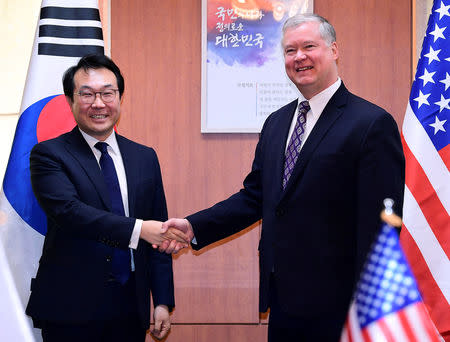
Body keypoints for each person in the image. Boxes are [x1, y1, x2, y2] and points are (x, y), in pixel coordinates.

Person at [162, 14, 405, 341]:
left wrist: (369, 305)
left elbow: (382, 224)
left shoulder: (371, 124)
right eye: (290, 51)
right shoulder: (277, 123)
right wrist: (195, 226)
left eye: (309, 47)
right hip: (283, 301)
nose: (299, 57)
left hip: (342, 306)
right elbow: (255, 197)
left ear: (333, 50)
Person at [25, 54, 186, 342]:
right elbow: (71, 213)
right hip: (70, 309)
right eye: (86, 94)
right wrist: (139, 230)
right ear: (70, 100)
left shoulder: (144, 157)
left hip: (129, 307)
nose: (98, 103)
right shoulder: (49, 154)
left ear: (120, 97)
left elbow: (159, 232)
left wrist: (161, 301)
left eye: (107, 93)